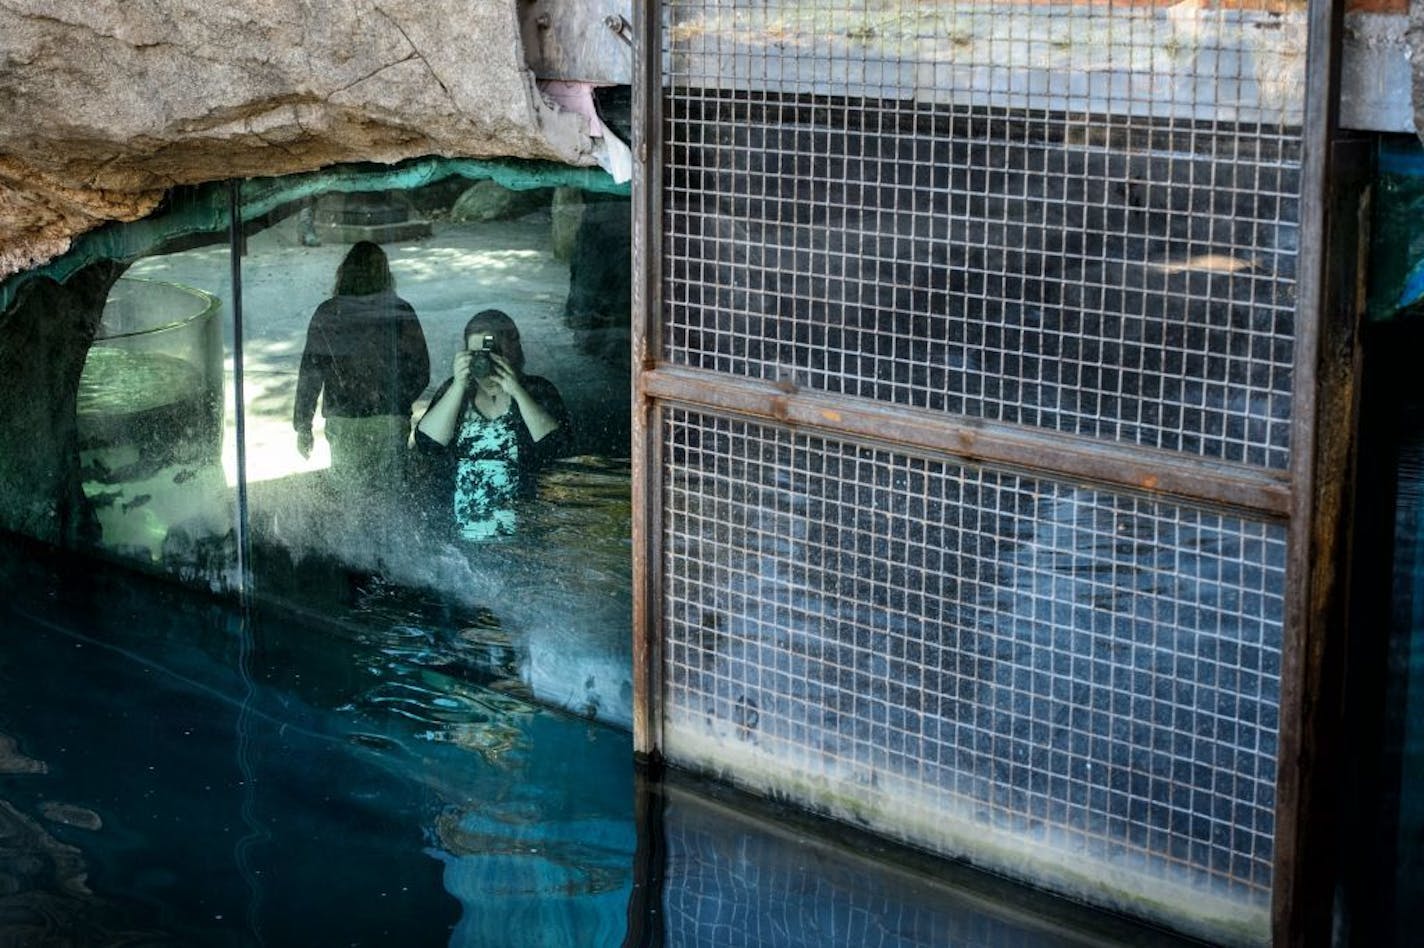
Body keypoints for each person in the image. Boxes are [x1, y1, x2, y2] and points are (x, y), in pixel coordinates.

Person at [415, 309, 571, 540]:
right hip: (459, 536)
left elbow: (558, 448)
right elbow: (427, 445)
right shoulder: (454, 392)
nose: (485, 359)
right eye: (477, 353)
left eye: (494, 350)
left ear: (513, 349)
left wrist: (516, 390)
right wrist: (459, 386)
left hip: (525, 534)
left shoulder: (537, 390)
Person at [293, 241, 430, 488]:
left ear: (345, 274)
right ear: (386, 275)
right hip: (389, 418)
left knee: (351, 502)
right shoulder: (400, 310)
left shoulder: (328, 312)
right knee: (391, 499)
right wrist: (395, 401)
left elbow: (311, 374)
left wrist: (303, 426)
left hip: (344, 420)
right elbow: (421, 371)